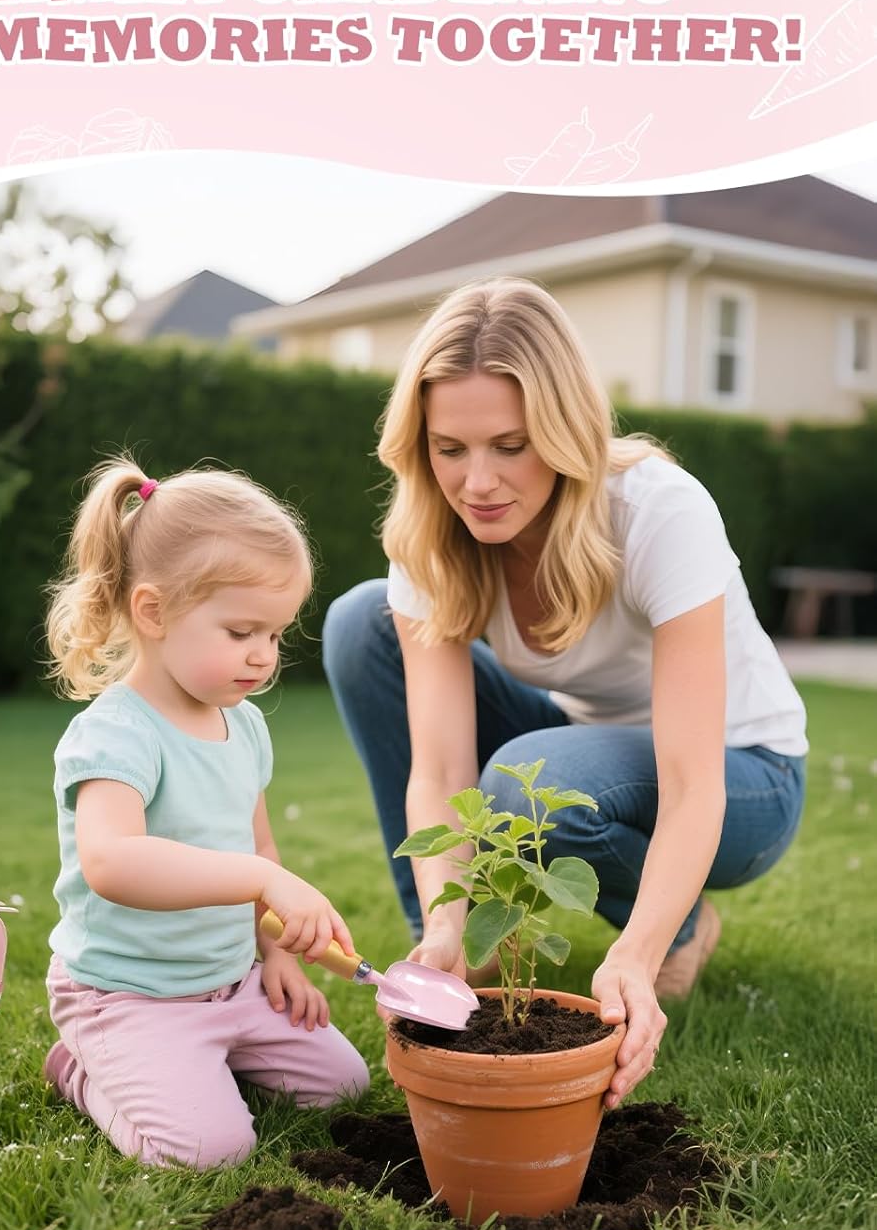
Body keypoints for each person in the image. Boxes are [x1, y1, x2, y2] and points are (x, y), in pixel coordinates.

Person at [322, 278, 807, 1110]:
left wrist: (636, 956)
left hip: (742, 778)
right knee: (359, 620)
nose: (476, 482)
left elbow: (691, 783)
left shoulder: (656, 510)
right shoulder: (430, 532)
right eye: (449, 449)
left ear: (565, 431)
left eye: (510, 445)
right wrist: (446, 918)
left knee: (521, 780)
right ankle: (449, 955)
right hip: (585, 747)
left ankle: (678, 921)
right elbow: (438, 769)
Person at [40, 456, 369, 1168]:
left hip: (232, 986)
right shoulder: (115, 734)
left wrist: (277, 953)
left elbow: (261, 851)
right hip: (129, 995)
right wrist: (257, 879)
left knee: (343, 1087)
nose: (263, 657)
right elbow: (112, 862)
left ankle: (203, 1062)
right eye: (240, 631)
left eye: (275, 635)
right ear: (153, 611)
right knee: (208, 1150)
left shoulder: (243, 724)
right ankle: (81, 1071)